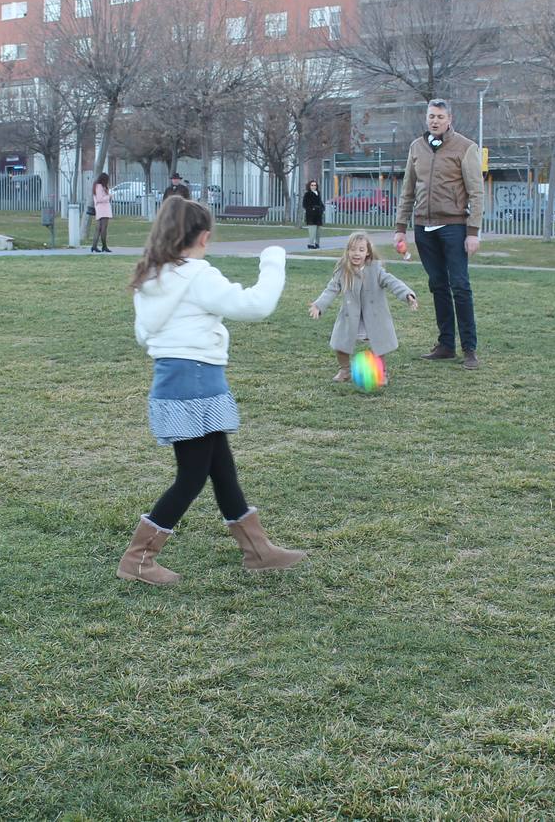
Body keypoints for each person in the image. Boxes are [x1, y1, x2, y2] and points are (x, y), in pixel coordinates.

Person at [120, 197, 306, 585]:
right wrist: (273, 260)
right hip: (197, 384)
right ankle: (138, 559)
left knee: (221, 469)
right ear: (204, 237)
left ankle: (258, 551)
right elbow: (256, 305)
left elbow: (144, 333)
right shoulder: (197, 276)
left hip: (177, 382)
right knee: (192, 476)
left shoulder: (152, 276)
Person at [393, 98, 484, 370]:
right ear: (426, 118)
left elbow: (477, 192)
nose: (435, 121)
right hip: (424, 227)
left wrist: (473, 232)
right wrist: (401, 228)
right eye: (431, 116)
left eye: (440, 117)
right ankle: (446, 344)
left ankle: (469, 349)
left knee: (460, 285)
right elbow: (408, 190)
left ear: (449, 119)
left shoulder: (466, 148)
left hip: (455, 228)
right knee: (437, 285)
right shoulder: (416, 148)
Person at [309, 231, 417, 384]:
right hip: (350, 315)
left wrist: (407, 294)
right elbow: (331, 289)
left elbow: (392, 282)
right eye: (352, 249)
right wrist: (319, 305)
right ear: (347, 251)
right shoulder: (342, 270)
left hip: (373, 315)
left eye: (361, 250)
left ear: (367, 253)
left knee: (378, 345)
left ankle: (381, 373)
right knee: (340, 344)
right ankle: (344, 370)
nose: (356, 253)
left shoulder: (375, 269)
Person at [90, 172, 113, 253]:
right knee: (103, 229)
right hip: (103, 209)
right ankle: (104, 246)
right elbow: (100, 199)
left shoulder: (97, 186)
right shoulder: (99, 186)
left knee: (98, 229)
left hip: (100, 209)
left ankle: (94, 246)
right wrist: (109, 196)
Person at [302, 180, 325, 249]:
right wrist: (312, 209)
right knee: (312, 231)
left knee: (318, 231)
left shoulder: (318, 193)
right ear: (309, 186)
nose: (313, 186)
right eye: (312, 185)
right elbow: (305, 204)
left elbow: (320, 203)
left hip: (318, 215)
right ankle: (310, 244)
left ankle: (317, 243)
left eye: (315, 185)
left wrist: (322, 208)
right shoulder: (307, 194)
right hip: (311, 216)